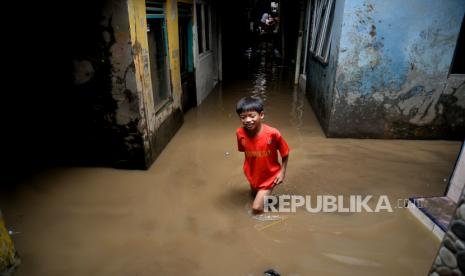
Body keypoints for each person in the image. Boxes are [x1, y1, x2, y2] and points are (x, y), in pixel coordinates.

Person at [235, 96, 290, 214]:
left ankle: (263, 222)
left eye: (252, 116)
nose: (248, 120)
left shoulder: (272, 134)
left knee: (256, 208)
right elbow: (244, 151)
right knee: (254, 196)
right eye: (243, 117)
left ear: (261, 115)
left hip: (270, 175)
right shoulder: (240, 133)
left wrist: (282, 172)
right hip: (252, 173)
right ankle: (265, 201)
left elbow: (285, 152)